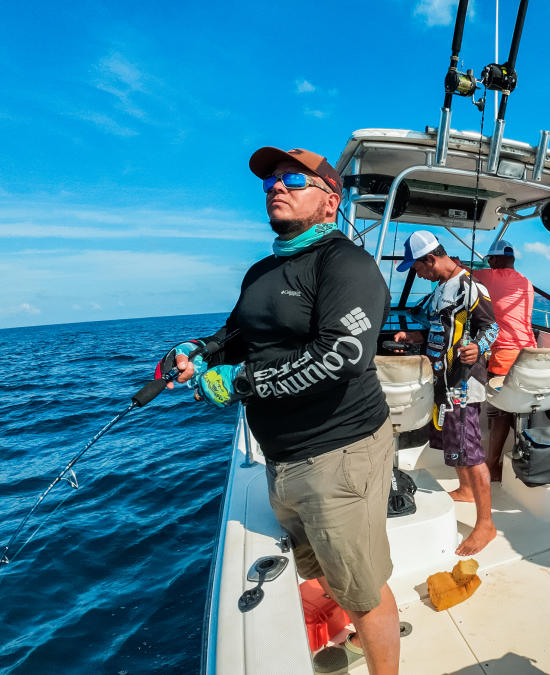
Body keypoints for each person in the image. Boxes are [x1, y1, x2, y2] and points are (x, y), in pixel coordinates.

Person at [160, 147, 399, 674]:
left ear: (330, 201)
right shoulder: (261, 270)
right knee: (320, 565)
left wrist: (239, 382)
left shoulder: (346, 263)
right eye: (270, 181)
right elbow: (236, 336)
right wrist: (199, 352)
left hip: (340, 454)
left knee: (363, 587)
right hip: (281, 455)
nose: (277, 187)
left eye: (294, 179)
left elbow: (342, 355)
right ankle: (345, 627)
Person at [392, 231, 500, 556]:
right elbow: (439, 329)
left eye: (417, 268)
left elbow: (491, 327)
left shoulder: (471, 287)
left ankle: (486, 525)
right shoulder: (440, 289)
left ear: (431, 259)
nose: (417, 274)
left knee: (469, 447)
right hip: (443, 379)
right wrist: (412, 338)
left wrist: (476, 347)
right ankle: (466, 490)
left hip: (463, 383)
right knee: (452, 441)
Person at [471, 239, 538, 482]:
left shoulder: (491, 277)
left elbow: (457, 272)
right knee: (513, 410)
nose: (489, 263)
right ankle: (529, 454)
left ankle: (492, 466)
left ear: (496, 260)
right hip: (529, 354)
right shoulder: (526, 282)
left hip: (506, 356)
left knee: (498, 413)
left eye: (489, 260)